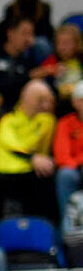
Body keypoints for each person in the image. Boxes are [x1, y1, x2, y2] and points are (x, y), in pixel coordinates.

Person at [0, 76, 57, 220]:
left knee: (46, 175)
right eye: (40, 100)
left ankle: (44, 229)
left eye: (48, 100)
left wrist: (36, 158)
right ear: (26, 100)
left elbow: (41, 146)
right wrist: (32, 157)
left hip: (30, 169)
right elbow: (14, 145)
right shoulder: (7, 119)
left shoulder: (46, 120)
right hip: (1, 170)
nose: (45, 105)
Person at [0, 16, 39, 131]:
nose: (28, 39)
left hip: (20, 104)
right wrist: (27, 77)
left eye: (31, 34)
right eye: (24, 33)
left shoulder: (30, 60)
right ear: (10, 33)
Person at [53, 81, 83, 213]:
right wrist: (78, 162)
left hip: (77, 164)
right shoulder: (65, 123)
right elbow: (61, 156)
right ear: (75, 103)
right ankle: (68, 225)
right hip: (73, 168)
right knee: (65, 175)